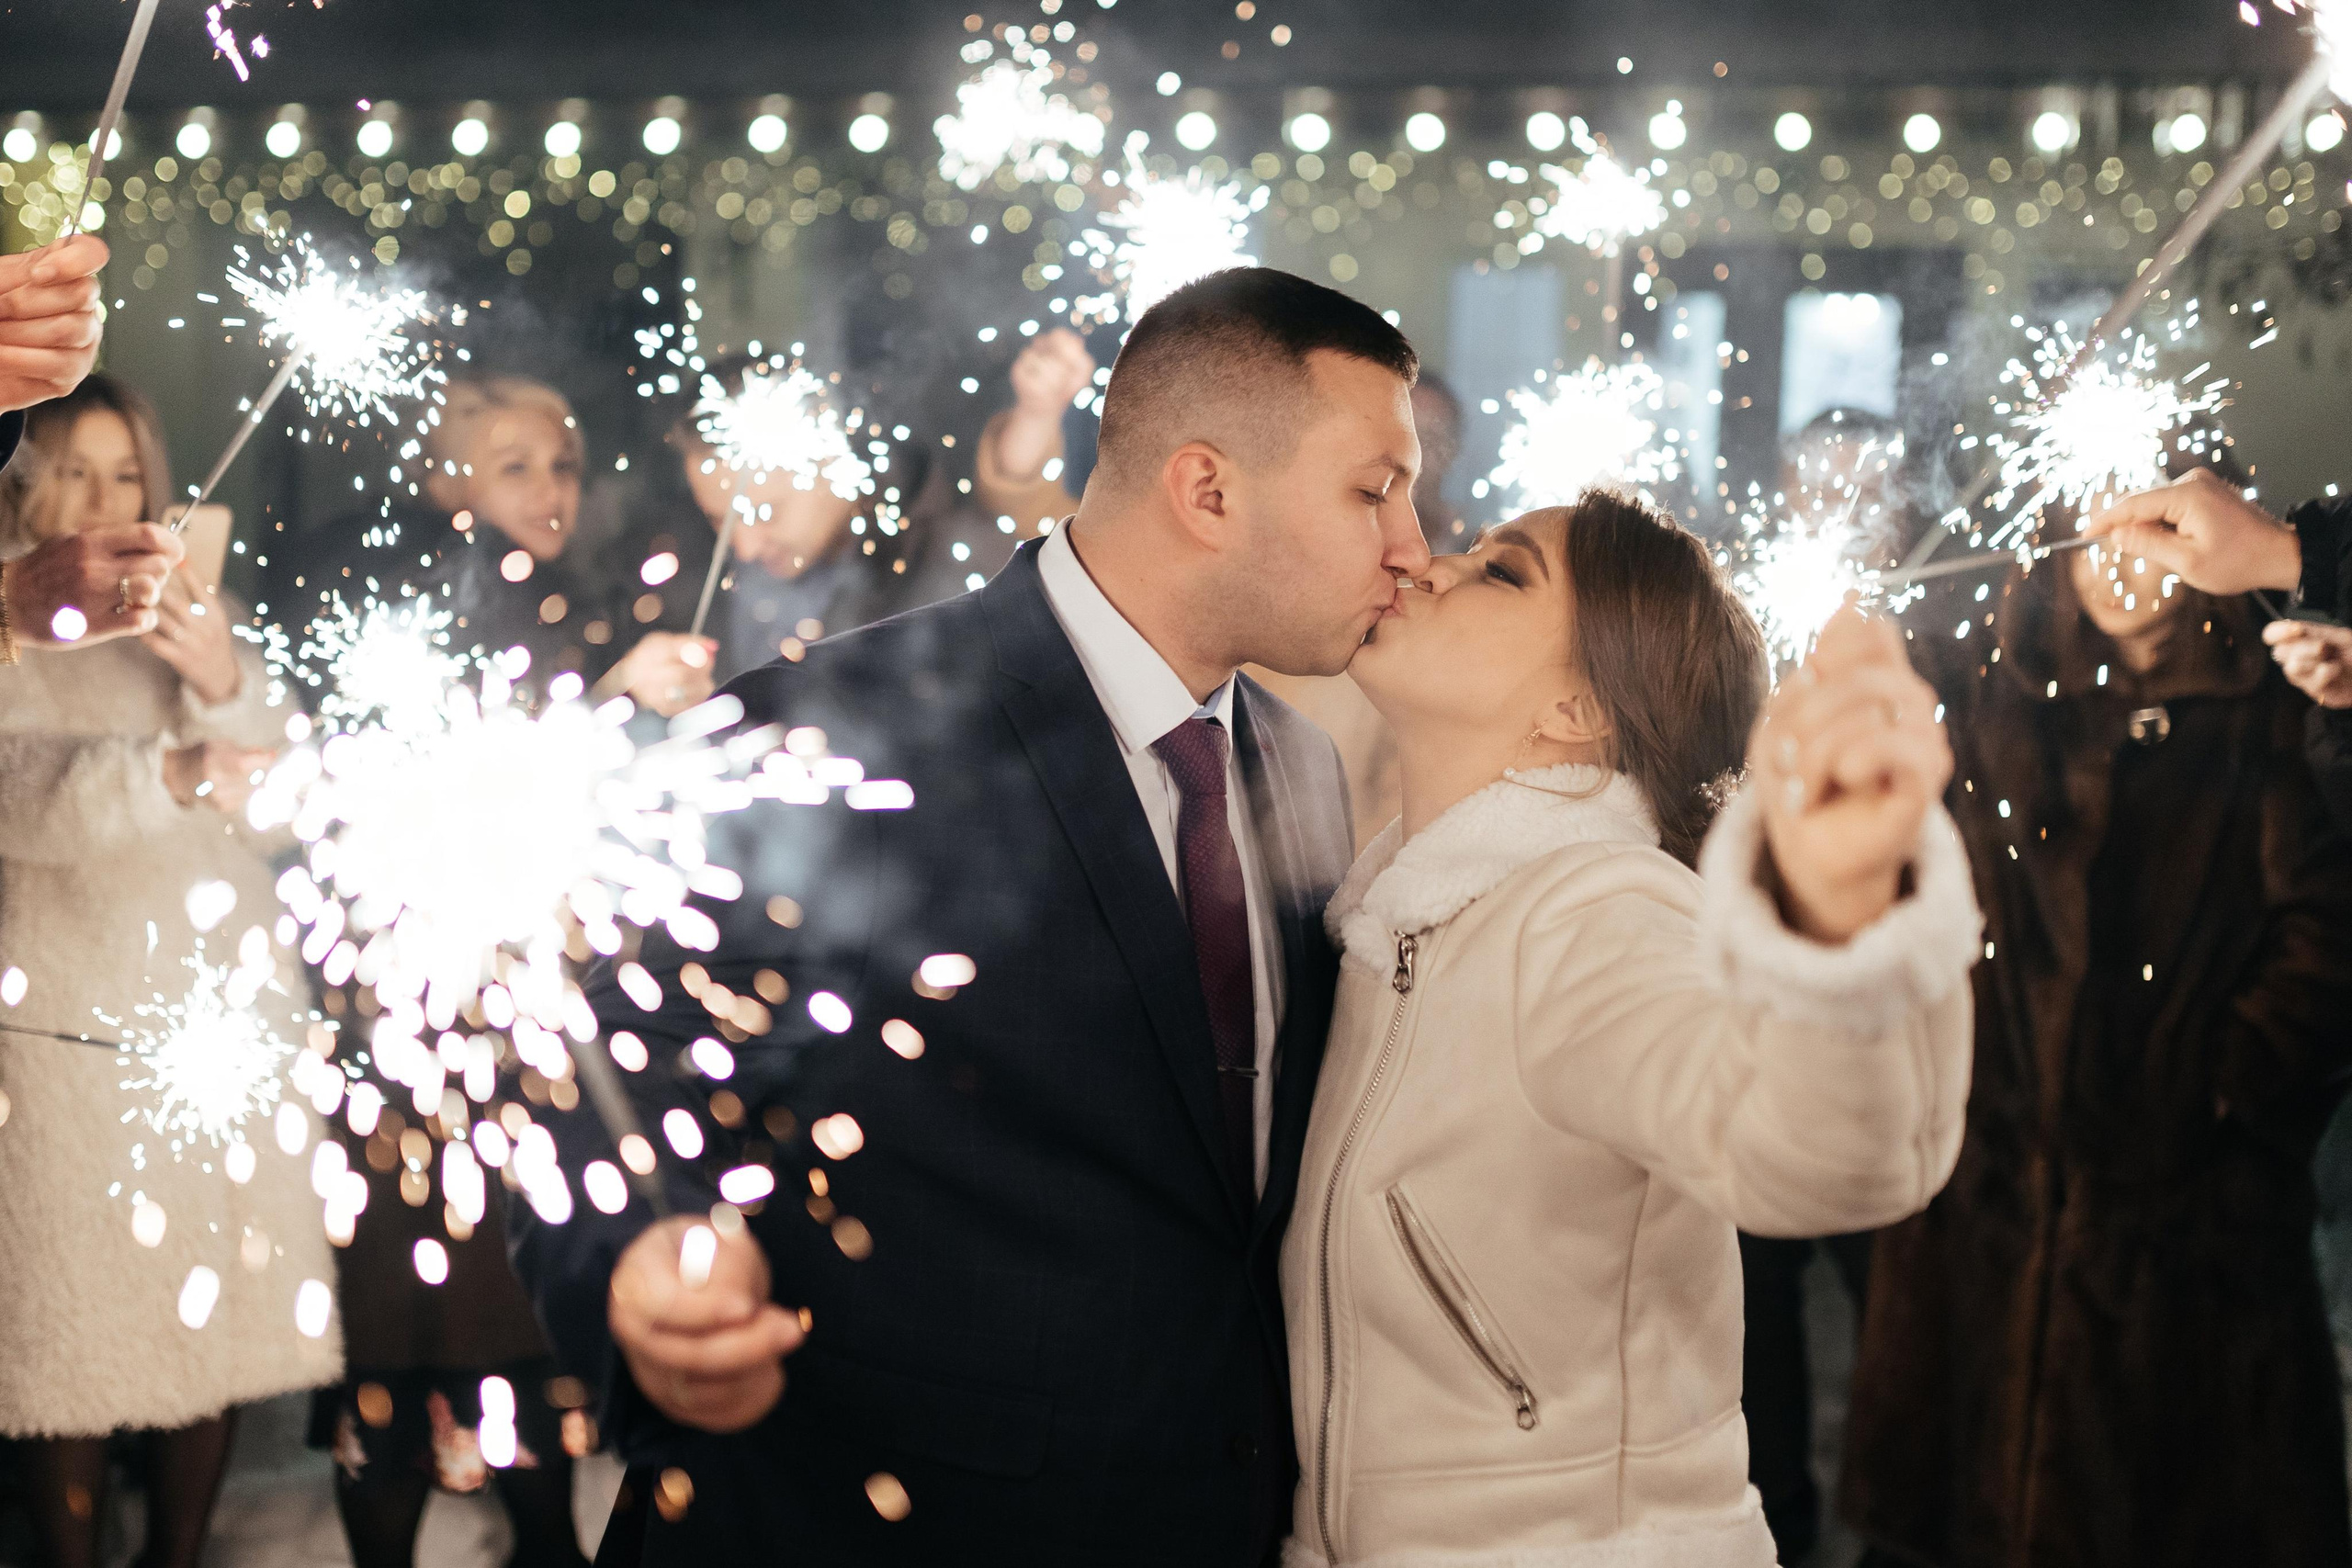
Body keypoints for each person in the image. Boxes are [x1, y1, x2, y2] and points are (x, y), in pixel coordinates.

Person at [507, 266, 1428, 1565]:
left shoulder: (1301, 762)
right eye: (1375, 488)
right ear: (1208, 488)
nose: (1413, 544)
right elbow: (604, 1064)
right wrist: (642, 1269)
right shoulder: (836, 727)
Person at [1287, 496, 1977, 1566]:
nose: (1430, 563)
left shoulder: (1591, 915)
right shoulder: (1394, 928)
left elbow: (1802, 1155)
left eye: (1502, 573)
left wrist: (1840, 917)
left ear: (1575, 708)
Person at [1838, 524, 2352, 1566]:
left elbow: (2330, 927)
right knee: (1951, 1501)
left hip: (2187, 1226)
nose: (2130, 555)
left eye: (2162, 523)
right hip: (1977, 1189)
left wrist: (2224, 1086)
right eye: (2104, 520)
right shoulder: (1978, 682)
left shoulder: (2279, 695)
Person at [0, 375, 342, 1568]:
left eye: (124, 474)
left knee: (221, 1318)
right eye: (68, 471)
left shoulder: (202, 607)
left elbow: (289, 804)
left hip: (219, 1017)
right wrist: (173, 768)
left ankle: (181, 1556)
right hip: (64, 1031)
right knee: (67, 1340)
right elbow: (22, 800)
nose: (98, 501)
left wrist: (222, 677)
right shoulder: (4, 622)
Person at [2085, 468, 2352, 827]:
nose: (2111, 572)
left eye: (2137, 541)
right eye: (2089, 548)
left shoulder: (2284, 692)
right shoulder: (2013, 700)